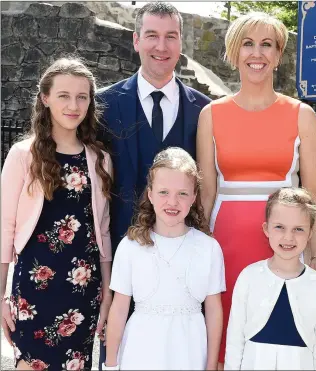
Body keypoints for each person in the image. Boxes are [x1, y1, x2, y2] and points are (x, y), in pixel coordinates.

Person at [196, 12, 316, 367]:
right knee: (227, 343)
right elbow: (206, 194)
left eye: (267, 44)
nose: (257, 53)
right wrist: (196, 254)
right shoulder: (211, 114)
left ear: (278, 55)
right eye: (248, 43)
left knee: (284, 345)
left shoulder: (301, 114)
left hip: (287, 246)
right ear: (233, 52)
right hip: (225, 245)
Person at [96, 2, 211, 367]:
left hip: (184, 264)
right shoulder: (103, 105)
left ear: (181, 44)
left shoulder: (205, 111)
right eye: (152, 36)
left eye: (170, 37)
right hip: (122, 256)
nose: (161, 46)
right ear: (135, 40)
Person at [1, 58, 113, 371]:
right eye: (63, 95)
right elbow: (5, 228)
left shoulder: (100, 158)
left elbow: (101, 231)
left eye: (82, 96)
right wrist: (0, 298)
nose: (73, 105)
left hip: (83, 289)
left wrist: (106, 294)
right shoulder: (24, 155)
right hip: (35, 290)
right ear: (45, 98)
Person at [101, 147, 225, 370]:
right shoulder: (131, 247)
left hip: (190, 351)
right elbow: (119, 309)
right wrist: (110, 365)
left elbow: (214, 311)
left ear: (194, 197)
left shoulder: (208, 248)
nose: (172, 202)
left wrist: (211, 365)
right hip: (142, 350)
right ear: (150, 194)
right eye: (164, 192)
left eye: (182, 194)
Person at [224, 187, 316, 370]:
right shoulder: (249, 277)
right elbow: (235, 341)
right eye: (279, 227)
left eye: (298, 229)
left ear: (310, 234)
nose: (288, 237)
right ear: (266, 229)